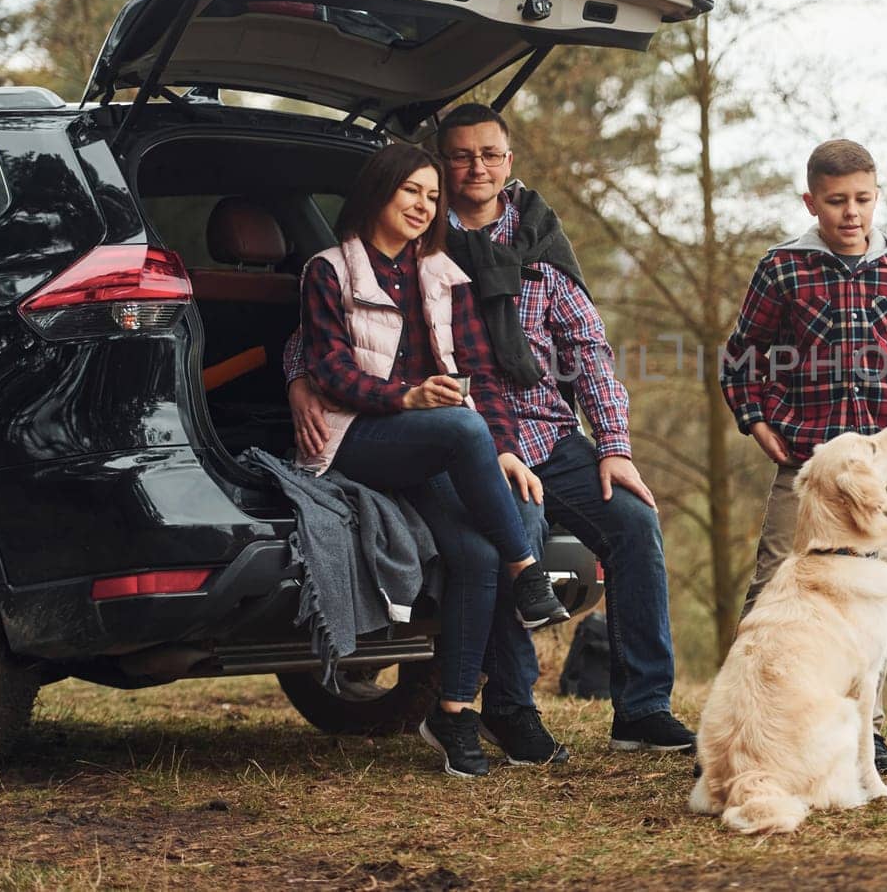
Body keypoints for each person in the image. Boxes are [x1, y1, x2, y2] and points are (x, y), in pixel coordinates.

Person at [288, 104, 694, 764]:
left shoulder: (538, 241)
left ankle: (643, 708)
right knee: (515, 535)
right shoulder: (418, 240)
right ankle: (511, 709)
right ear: (440, 168)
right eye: (460, 156)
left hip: (545, 430)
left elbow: (590, 353)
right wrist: (299, 379)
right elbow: (336, 330)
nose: (477, 167)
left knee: (634, 522)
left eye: (491, 154)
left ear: (509, 163)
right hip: (464, 431)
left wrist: (614, 446)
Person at [295, 143, 569, 779]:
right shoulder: (329, 270)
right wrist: (406, 396)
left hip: (436, 443)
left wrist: (504, 448)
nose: (422, 205)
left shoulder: (444, 274)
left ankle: (452, 712)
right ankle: (528, 572)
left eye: (429, 195)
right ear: (378, 195)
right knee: (456, 425)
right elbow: (329, 368)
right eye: (409, 192)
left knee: (475, 550)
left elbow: (481, 377)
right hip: (357, 437)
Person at [720, 138, 887, 778]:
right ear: (810, 201)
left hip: (881, 470)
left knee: (870, 601)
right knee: (775, 583)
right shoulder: (783, 269)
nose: (852, 214)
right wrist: (755, 416)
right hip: (809, 466)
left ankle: (864, 733)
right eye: (837, 201)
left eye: (863, 200)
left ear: (877, 198)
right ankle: (754, 715)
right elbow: (743, 352)